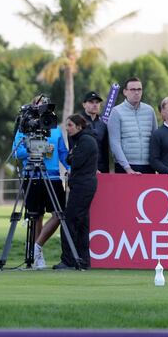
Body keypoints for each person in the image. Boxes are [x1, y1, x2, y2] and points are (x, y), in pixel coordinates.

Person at [12, 102, 69, 269]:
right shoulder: (24, 127)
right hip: (33, 176)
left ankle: (36, 246)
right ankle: (38, 257)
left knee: (58, 214)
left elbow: (63, 152)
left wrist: (70, 168)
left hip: (53, 177)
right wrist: (35, 149)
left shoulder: (54, 127)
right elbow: (16, 152)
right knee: (36, 216)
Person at [54, 114, 98, 270]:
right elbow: (70, 159)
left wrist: (71, 156)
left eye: (70, 125)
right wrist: (71, 156)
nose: (68, 128)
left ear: (79, 126)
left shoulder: (85, 141)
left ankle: (68, 260)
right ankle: (83, 261)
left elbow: (73, 161)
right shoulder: (81, 140)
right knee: (82, 223)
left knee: (69, 221)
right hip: (83, 185)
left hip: (82, 186)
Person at [107, 77, 157, 174]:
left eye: (139, 89)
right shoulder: (116, 112)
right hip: (125, 167)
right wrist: (127, 168)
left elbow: (155, 138)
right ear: (125, 92)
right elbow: (114, 143)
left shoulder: (149, 110)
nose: (136, 92)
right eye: (133, 89)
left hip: (148, 166)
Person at [80, 91, 110, 173]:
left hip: (101, 170)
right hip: (83, 171)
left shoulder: (103, 124)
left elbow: (105, 151)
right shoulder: (77, 122)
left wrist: (106, 172)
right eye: (91, 102)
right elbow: (74, 149)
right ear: (84, 104)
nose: (95, 105)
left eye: (97, 102)